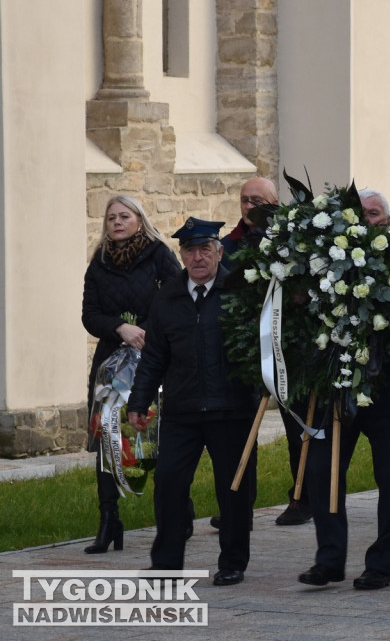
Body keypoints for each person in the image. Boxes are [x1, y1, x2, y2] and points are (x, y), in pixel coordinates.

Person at [296, 189, 390, 591]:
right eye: (359, 213)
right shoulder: (329, 263)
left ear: (387, 221)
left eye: (373, 213)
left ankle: (381, 565)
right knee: (321, 470)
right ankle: (330, 559)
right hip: (337, 386)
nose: (365, 219)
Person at [125, 217, 255, 586]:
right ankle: (166, 563)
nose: (197, 258)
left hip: (231, 408)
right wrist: (139, 402)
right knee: (168, 483)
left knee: (233, 489)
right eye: (190, 251)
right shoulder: (168, 297)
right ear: (181, 254)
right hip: (181, 410)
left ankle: (233, 561)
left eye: (205, 249)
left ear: (219, 251)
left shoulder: (240, 290)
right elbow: (154, 357)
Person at [81, 195, 181, 555]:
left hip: (156, 359)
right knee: (108, 441)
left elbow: (177, 301)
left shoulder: (158, 255)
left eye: (125, 216)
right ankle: (109, 521)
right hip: (112, 362)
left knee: (162, 437)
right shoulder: (99, 262)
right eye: (111, 218)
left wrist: (148, 333)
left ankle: (177, 515)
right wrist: (120, 328)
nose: (117, 223)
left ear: (140, 220)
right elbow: (89, 314)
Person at [213, 177, 282, 530]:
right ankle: (238, 504)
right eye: (244, 200)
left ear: (274, 202)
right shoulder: (228, 246)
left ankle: (302, 498)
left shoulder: (289, 242)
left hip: (285, 348)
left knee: (298, 423)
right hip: (244, 349)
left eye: (257, 199)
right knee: (241, 430)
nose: (249, 206)